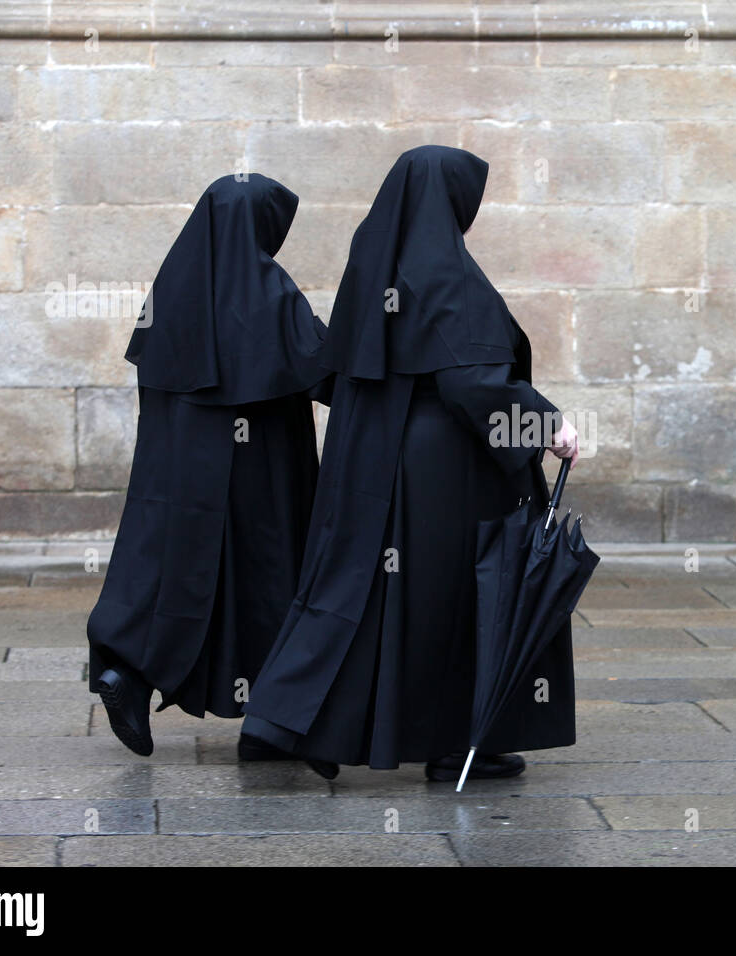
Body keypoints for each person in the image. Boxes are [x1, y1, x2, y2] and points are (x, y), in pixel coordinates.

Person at [241, 145, 581, 782]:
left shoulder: (376, 262)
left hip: (375, 455)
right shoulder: (447, 272)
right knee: (456, 598)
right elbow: (473, 383)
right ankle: (451, 740)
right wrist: (547, 423)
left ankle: (291, 720)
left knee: (365, 592)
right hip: (446, 468)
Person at [86, 173, 331, 769]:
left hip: (178, 475)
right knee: (270, 578)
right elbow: (327, 375)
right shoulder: (270, 291)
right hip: (262, 474)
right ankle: (278, 723)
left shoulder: (171, 289)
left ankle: (131, 672)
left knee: (178, 573)